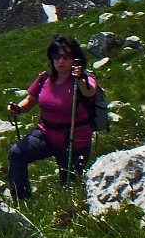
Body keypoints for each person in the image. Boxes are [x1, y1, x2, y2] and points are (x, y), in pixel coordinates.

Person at [6, 34, 99, 202]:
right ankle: (22, 199)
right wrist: (18, 108)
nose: (60, 61)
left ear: (75, 59)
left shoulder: (84, 79)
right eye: (56, 56)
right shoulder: (45, 79)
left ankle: (66, 214)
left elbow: (89, 92)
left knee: (69, 186)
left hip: (75, 140)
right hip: (46, 133)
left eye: (66, 56)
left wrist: (80, 78)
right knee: (17, 153)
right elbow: (31, 99)